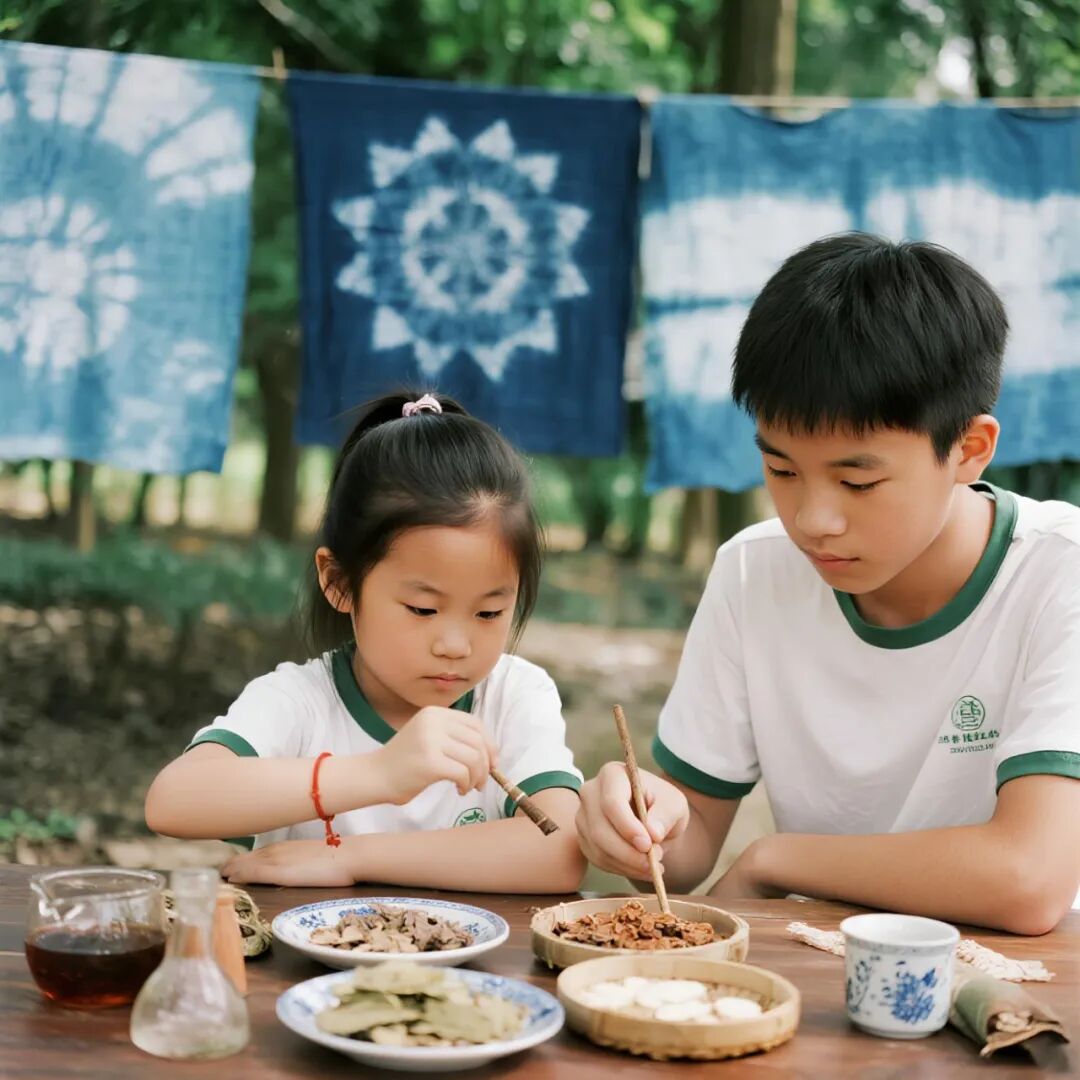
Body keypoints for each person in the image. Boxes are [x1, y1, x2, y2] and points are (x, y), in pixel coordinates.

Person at [577, 233, 1080, 933]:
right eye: (782, 471)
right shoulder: (756, 570)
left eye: (857, 480)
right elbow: (686, 849)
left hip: (1029, 991)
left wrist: (778, 861)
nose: (813, 521)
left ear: (969, 450)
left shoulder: (1061, 573)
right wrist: (635, 819)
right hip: (823, 978)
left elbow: (1028, 880)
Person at [146, 392, 585, 892]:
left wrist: (349, 858)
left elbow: (561, 850)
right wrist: (379, 773)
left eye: (489, 612)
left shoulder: (512, 695)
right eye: (423, 609)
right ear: (338, 582)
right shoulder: (301, 702)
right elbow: (174, 800)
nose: (455, 645)